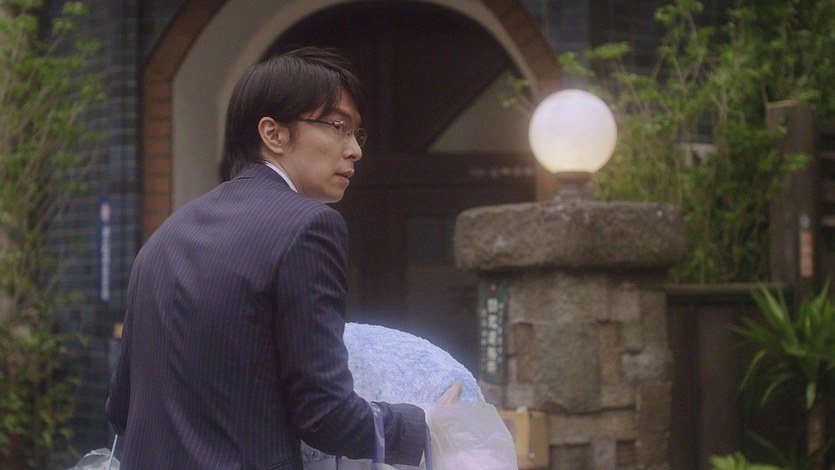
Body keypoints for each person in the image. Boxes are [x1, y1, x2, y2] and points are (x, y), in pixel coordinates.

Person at [106, 47, 436, 469]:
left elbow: (121, 408)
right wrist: (424, 426)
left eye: (357, 134)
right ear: (273, 134)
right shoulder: (309, 225)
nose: (354, 149)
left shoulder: (164, 237)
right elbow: (325, 414)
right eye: (339, 126)